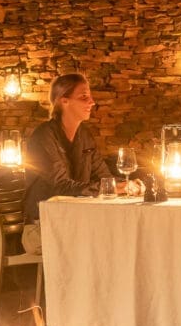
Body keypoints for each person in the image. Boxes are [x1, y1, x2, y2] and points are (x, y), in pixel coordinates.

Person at [23, 73, 115, 221]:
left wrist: (127, 184)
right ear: (64, 101)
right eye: (84, 97)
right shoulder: (44, 136)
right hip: (44, 222)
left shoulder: (84, 136)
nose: (92, 102)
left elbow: (104, 177)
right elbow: (60, 187)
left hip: (76, 218)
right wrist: (107, 188)